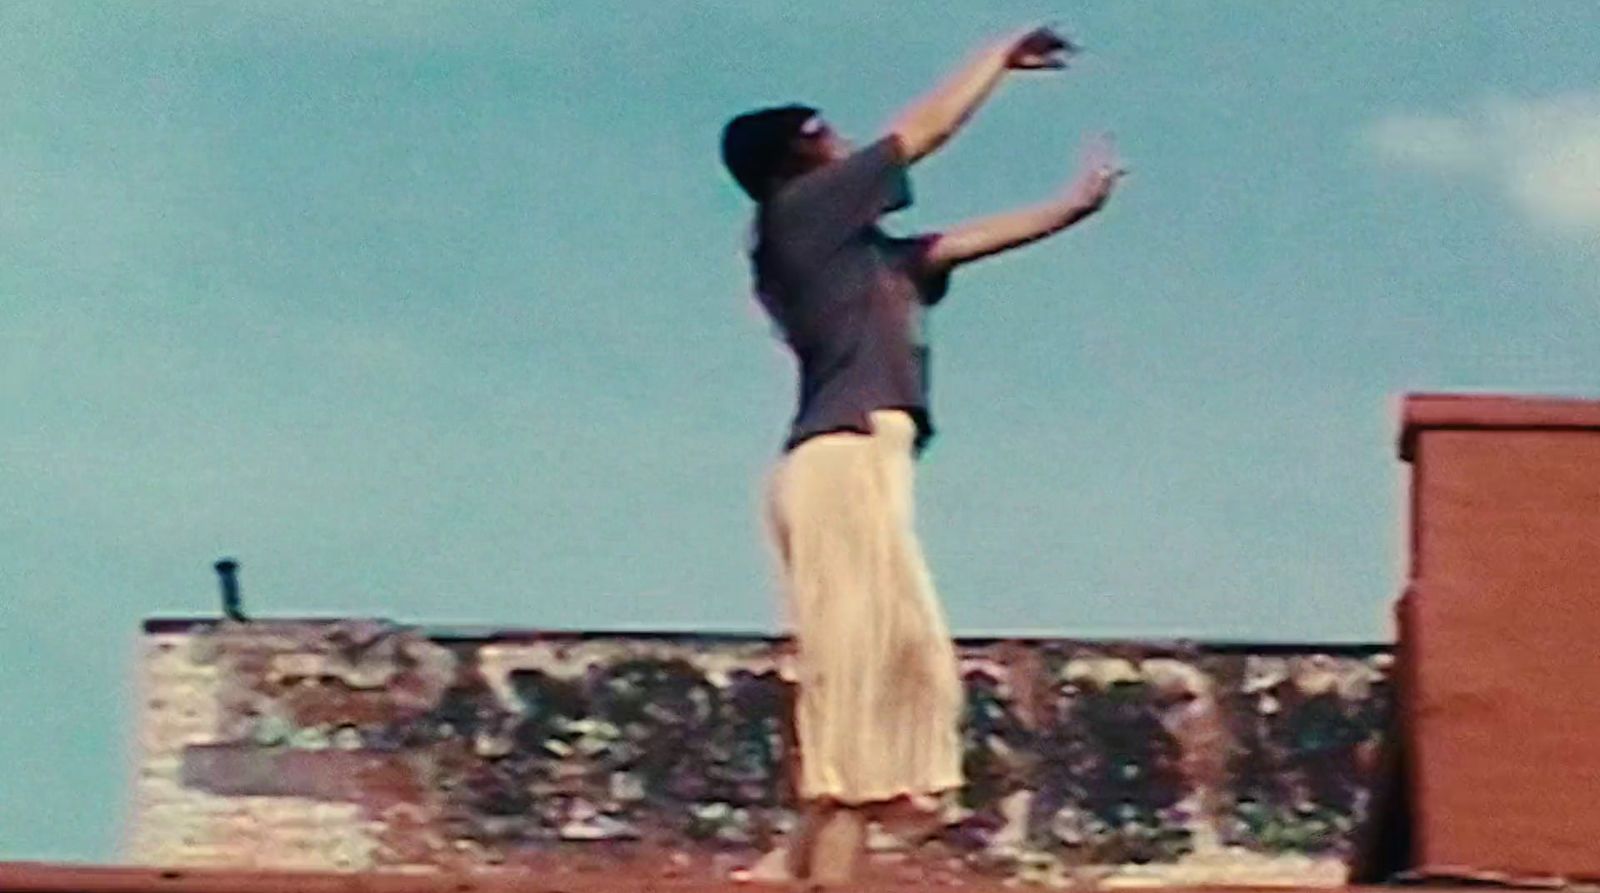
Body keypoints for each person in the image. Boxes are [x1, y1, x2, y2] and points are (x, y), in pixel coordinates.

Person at [719, 25, 1124, 888]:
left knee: (893, 664)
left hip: (863, 464)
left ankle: (798, 857)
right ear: (799, 155)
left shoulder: (860, 255)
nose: (842, 141)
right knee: (862, 675)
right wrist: (999, 60)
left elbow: (965, 243)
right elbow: (926, 129)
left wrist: (1074, 206)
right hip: (842, 460)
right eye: (824, 132)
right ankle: (819, 864)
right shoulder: (803, 211)